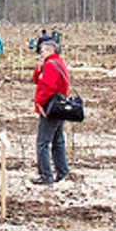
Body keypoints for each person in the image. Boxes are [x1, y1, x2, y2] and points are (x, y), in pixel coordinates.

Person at [32, 38, 70, 185]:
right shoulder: (57, 63)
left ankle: (46, 175)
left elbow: (47, 87)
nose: (40, 53)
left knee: (42, 143)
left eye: (42, 51)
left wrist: (40, 104)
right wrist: (39, 68)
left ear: (50, 51)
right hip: (59, 108)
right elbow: (37, 80)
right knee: (58, 141)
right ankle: (62, 172)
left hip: (50, 109)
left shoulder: (51, 66)